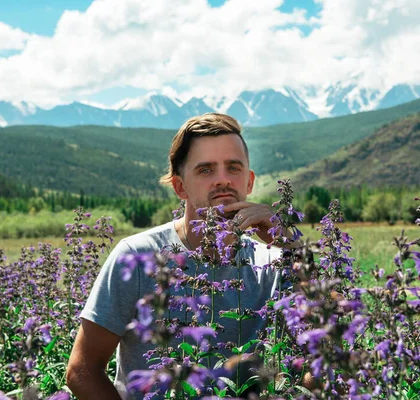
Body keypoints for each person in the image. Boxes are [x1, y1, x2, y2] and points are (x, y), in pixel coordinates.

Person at [66, 113, 288, 399]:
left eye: (233, 168)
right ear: (180, 186)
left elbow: (318, 369)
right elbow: (82, 370)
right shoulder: (137, 257)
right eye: (206, 170)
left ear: (249, 181)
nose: (223, 180)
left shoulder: (273, 264)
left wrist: (295, 253)